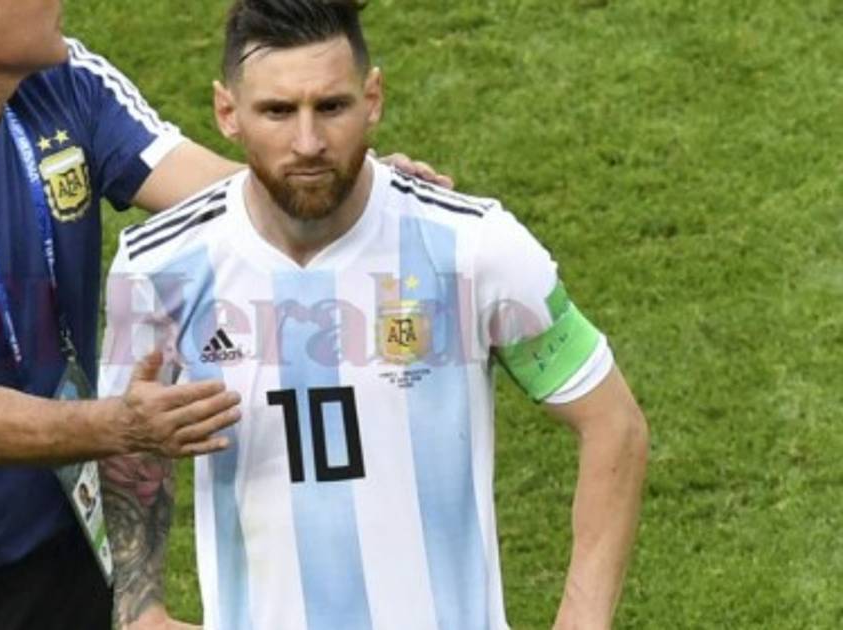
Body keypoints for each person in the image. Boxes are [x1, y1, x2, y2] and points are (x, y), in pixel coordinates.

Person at [0, 1, 446, 628]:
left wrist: (359, 190)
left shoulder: (68, 84)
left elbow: (232, 205)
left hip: (60, 544)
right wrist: (125, 426)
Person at [98, 1, 650, 629]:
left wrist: (581, 621)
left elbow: (614, 424)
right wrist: (141, 610)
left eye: (331, 107)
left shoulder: (471, 247)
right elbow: (124, 446)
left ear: (373, 99)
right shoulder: (158, 268)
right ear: (228, 112)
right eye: (278, 111)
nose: (308, 143)